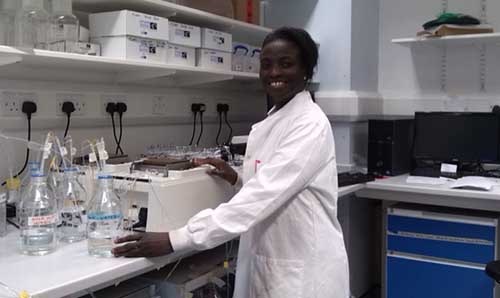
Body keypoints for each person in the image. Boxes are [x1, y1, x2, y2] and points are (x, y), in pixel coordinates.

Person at [113, 27, 350, 298]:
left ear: (306, 70)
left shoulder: (309, 124)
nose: (274, 73)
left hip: (304, 273)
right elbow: (270, 187)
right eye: (266, 65)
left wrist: (175, 239)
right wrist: (236, 178)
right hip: (275, 262)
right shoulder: (277, 118)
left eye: (286, 64)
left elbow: (262, 196)